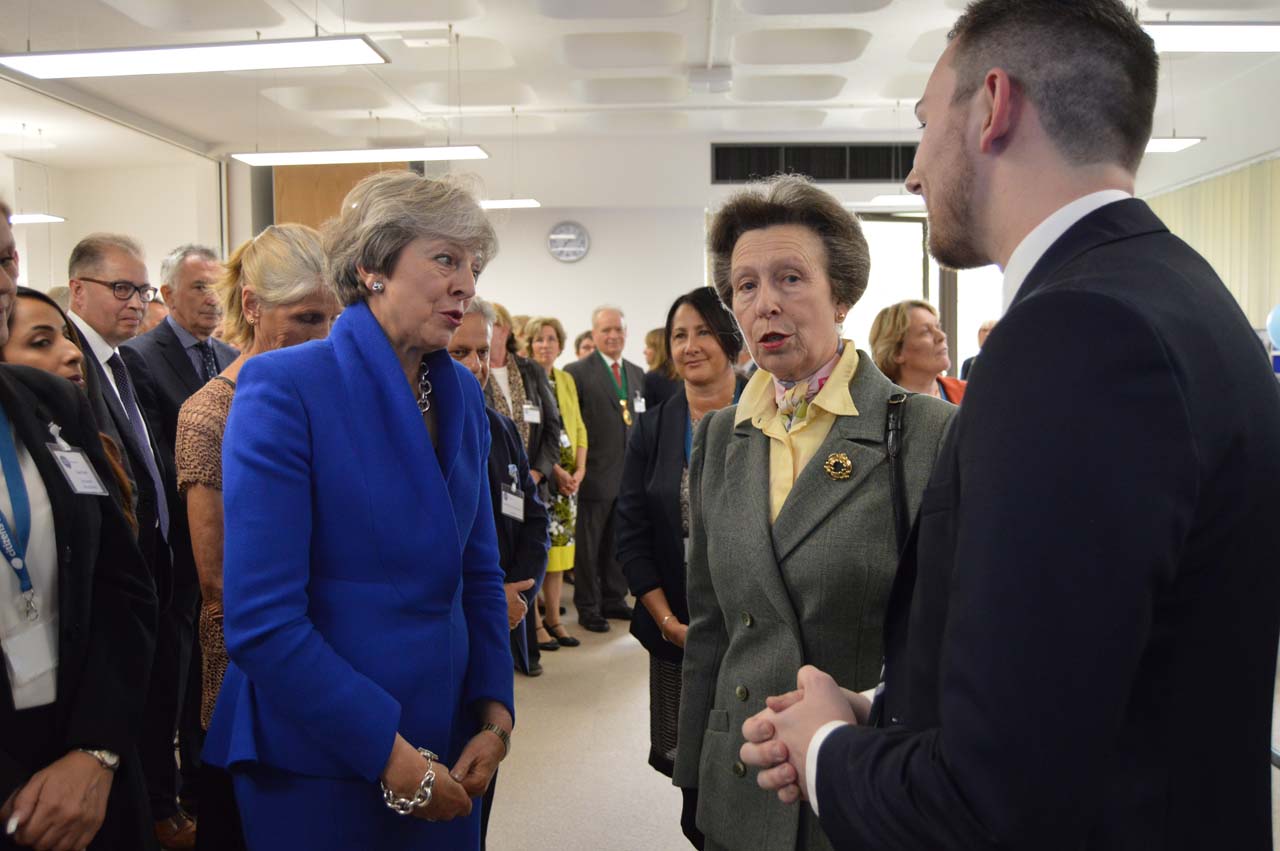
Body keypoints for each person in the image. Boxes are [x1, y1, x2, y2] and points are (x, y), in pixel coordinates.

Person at [739, 2, 1280, 848]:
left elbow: (995, 798)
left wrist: (823, 750)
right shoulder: (1184, 294)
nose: (914, 174)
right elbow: (1085, 670)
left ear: (992, 105)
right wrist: (885, 707)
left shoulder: (1075, 336)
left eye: (925, 125)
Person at [202, 171, 515, 850]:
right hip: (321, 751)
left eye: (474, 266)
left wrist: (495, 714)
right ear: (373, 266)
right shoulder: (285, 387)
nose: (466, 284)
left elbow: (478, 573)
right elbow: (263, 621)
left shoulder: (462, 394)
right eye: (446, 259)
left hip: (449, 740)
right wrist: (389, 754)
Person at [673, 174, 955, 851]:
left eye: (791, 278)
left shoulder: (927, 432)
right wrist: (692, 774)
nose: (765, 303)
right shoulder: (720, 437)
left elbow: (954, 637)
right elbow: (710, 624)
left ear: (843, 294)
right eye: (745, 286)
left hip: (858, 785)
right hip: (739, 777)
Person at [174, 224, 339, 851]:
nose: (325, 335)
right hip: (252, 669)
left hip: (335, 648)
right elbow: (218, 580)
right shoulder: (210, 413)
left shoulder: (329, 396)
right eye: (306, 318)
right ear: (252, 306)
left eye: (335, 318)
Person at [0, 201, 158, 851]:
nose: (1, 281)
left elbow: (122, 585)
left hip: (87, 761)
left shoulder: (49, 403)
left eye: (6, 258)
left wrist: (95, 750)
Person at [65, 234, 194, 849]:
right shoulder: (70, 364)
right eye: (121, 288)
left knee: (155, 706)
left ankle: (158, 809)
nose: (136, 302)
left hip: (156, 572)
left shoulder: (125, 363)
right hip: (112, 581)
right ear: (78, 291)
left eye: (141, 290)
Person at [616, 287, 745, 849]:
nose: (690, 346)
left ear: (730, 338)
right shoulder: (654, 427)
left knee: (755, 760)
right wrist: (666, 621)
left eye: (703, 332)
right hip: (678, 627)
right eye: (679, 335)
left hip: (757, 624)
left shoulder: (772, 407)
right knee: (689, 776)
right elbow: (631, 531)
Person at [123, 243, 237, 831]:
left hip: (231, 544)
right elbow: (157, 460)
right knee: (177, 678)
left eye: (218, 287)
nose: (212, 299)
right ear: (167, 295)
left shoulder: (231, 356)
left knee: (213, 673)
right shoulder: (141, 358)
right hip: (179, 552)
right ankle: (170, 803)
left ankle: (205, 784)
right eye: (198, 287)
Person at [563, 306, 644, 633]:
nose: (613, 336)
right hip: (593, 475)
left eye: (618, 330)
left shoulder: (636, 373)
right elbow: (571, 425)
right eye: (606, 330)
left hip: (627, 476)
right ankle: (588, 606)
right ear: (594, 334)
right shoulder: (576, 372)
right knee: (589, 547)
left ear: (626, 333)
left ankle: (614, 598)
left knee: (617, 543)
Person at [523, 316, 586, 651]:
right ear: (529, 344)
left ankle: (554, 619)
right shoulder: (527, 377)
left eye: (551, 339)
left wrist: (580, 470)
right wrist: (556, 470)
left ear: (560, 344)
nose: (545, 345)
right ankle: (534, 623)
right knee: (538, 550)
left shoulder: (565, 378)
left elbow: (578, 428)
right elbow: (536, 435)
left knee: (561, 551)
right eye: (539, 339)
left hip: (569, 483)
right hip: (543, 478)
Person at [485, 302, 560, 497]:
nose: (485, 330)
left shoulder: (532, 370)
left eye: (490, 324)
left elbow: (552, 427)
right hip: (492, 484)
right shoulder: (476, 372)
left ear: (506, 330)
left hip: (533, 484)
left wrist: (538, 472)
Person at [868, 300, 966, 403]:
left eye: (938, 327)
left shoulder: (968, 393)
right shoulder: (874, 404)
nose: (942, 336)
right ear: (897, 353)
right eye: (925, 331)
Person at [642, 327, 680, 410]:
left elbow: (644, 412)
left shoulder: (650, 378)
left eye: (648, 347)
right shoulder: (682, 376)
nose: (644, 351)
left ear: (659, 350)